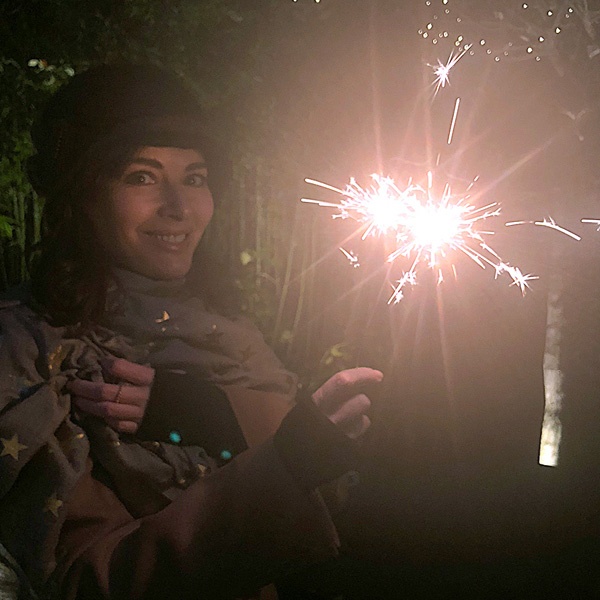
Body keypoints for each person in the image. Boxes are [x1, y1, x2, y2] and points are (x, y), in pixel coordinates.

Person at [0, 64, 383, 600]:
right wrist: (281, 465)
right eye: (142, 176)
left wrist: (207, 411)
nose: (179, 207)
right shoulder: (28, 355)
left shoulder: (232, 335)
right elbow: (84, 584)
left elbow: (332, 501)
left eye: (195, 178)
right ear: (80, 194)